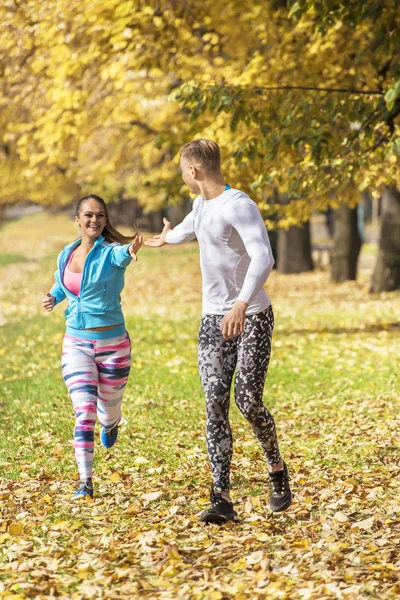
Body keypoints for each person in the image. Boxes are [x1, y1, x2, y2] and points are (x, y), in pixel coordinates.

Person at [145, 139, 292, 524]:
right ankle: (222, 496)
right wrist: (166, 237)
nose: (182, 177)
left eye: (182, 170)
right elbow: (191, 227)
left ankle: (276, 468)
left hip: (252, 315)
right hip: (213, 320)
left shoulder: (239, 205)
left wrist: (242, 303)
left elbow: (264, 255)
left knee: (247, 401)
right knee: (214, 405)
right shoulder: (202, 204)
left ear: (193, 171)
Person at [42, 194, 142, 500]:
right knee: (83, 411)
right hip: (77, 344)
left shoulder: (110, 252)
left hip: (113, 346)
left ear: (105, 220)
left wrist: (132, 249)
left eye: (100, 215)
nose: (94, 220)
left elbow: (121, 255)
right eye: (88, 215)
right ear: (77, 220)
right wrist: (53, 296)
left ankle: (111, 423)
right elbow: (63, 283)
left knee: (107, 411)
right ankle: (85, 480)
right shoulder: (67, 253)